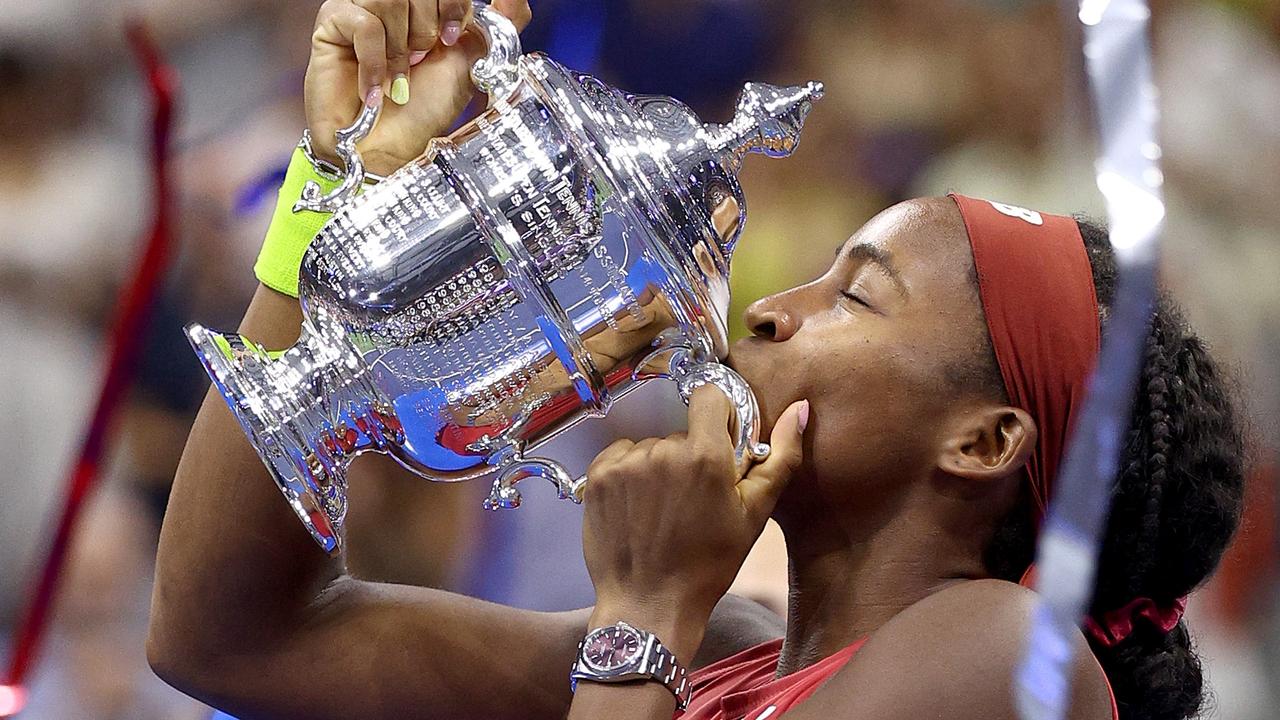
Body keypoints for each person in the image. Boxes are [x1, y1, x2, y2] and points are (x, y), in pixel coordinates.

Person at [146, 2, 1246, 719]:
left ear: (983, 441)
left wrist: (640, 613)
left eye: (854, 295)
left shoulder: (1002, 657)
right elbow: (228, 637)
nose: (768, 308)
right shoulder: (725, 643)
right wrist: (348, 190)